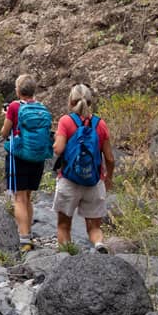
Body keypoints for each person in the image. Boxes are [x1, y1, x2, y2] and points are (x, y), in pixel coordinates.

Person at [52, 84, 115, 253]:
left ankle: (66, 256)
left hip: (69, 179)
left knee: (64, 225)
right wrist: (108, 177)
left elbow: (58, 149)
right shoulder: (100, 124)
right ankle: (99, 244)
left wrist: (56, 141)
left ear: (71, 101)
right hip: (94, 181)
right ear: (90, 101)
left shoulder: (66, 121)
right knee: (94, 227)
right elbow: (109, 157)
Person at [0, 74, 48, 249]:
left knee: (19, 198)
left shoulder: (14, 106)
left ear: (18, 91)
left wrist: (6, 117)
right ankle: (29, 234)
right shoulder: (41, 107)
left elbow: (4, 133)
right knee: (28, 197)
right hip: (37, 157)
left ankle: (24, 237)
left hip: (19, 156)